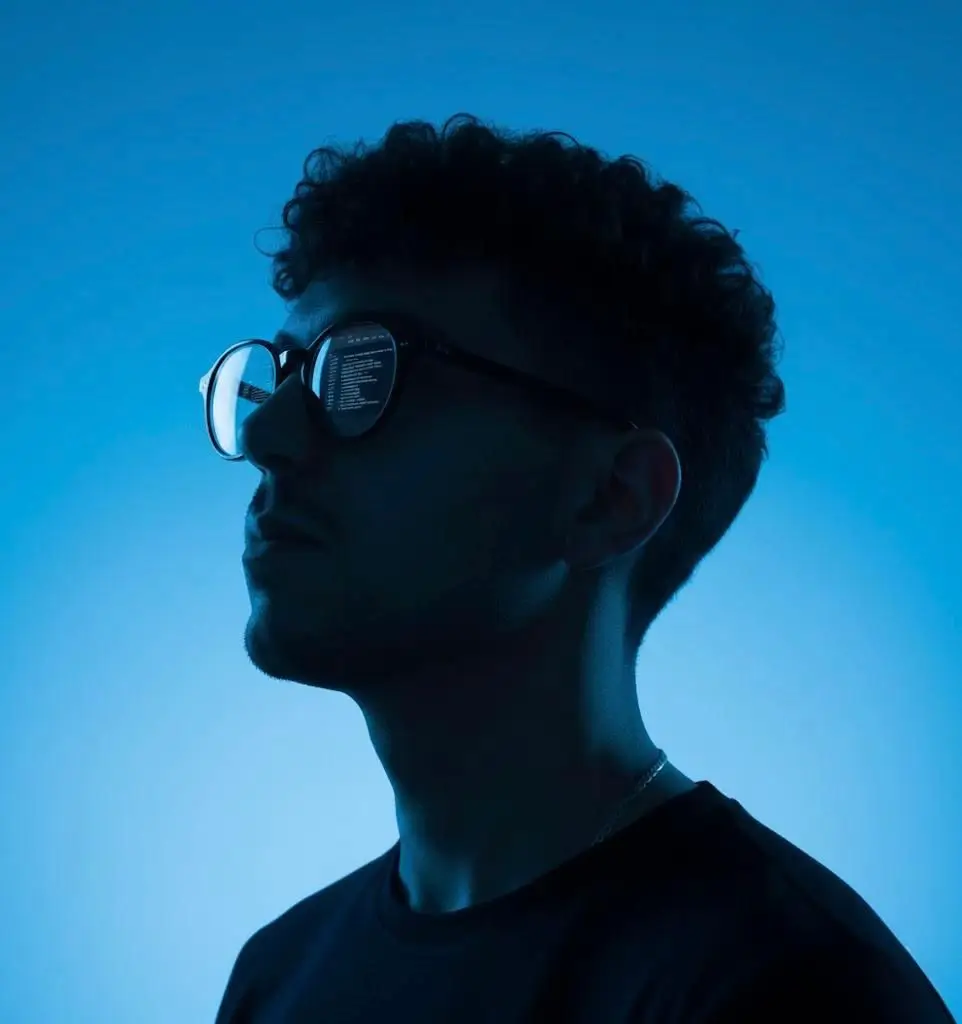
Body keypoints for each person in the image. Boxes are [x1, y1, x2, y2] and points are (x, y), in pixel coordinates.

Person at [205, 114, 953, 1022]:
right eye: (282, 375)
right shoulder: (277, 977)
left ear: (612, 498)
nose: (266, 433)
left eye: (361, 373)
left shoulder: (789, 990)